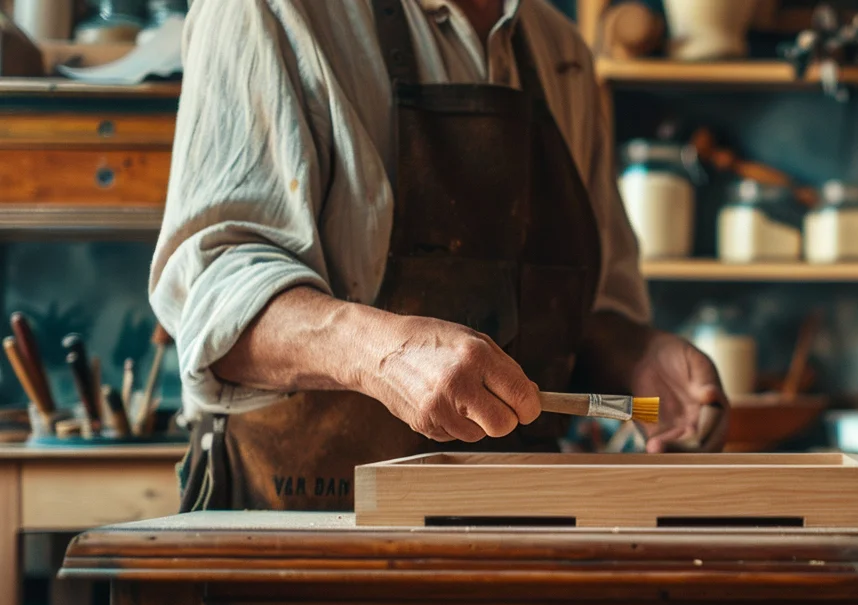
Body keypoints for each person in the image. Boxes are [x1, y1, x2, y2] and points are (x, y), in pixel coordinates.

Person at [150, 0, 727, 511]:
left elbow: (590, 312)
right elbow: (214, 296)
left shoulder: (560, 51)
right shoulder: (272, 11)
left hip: (527, 533)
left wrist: (638, 356)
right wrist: (383, 353)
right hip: (310, 531)